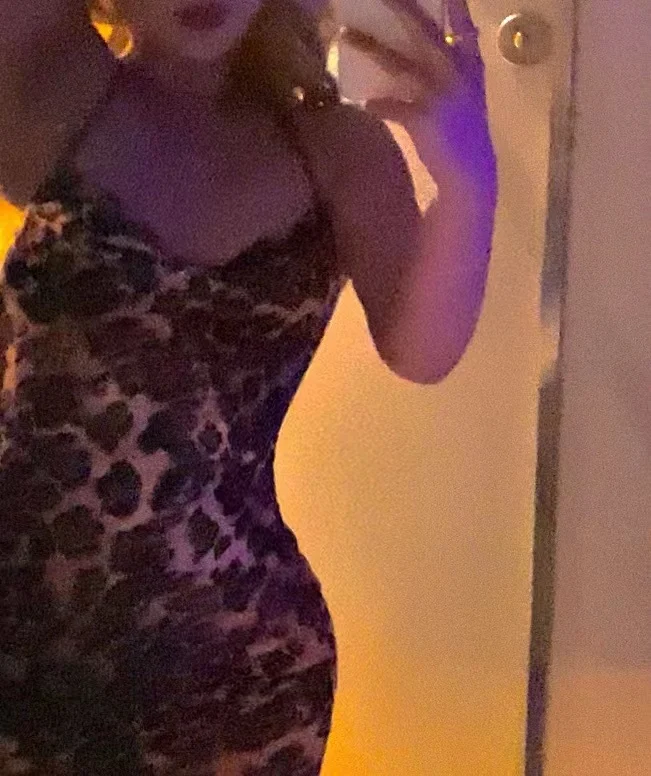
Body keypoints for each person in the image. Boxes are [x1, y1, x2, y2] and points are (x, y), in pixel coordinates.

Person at [0, 0, 497, 773]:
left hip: (234, 666)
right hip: (24, 645)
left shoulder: (336, 150)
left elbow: (422, 350)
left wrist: (469, 185)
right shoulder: (63, 93)